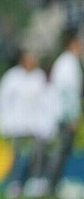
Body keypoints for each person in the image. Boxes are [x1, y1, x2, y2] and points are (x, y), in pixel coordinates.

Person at [0, 50, 49, 199]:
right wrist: (4, 124)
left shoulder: (38, 77)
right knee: (17, 156)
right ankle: (15, 184)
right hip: (16, 126)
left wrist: (45, 124)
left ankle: (34, 183)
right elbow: (2, 101)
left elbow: (45, 102)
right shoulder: (12, 77)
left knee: (36, 156)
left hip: (35, 126)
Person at [45, 30, 82, 195]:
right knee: (61, 152)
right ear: (72, 44)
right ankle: (51, 185)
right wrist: (72, 116)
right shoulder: (69, 63)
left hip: (59, 113)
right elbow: (69, 92)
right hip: (65, 116)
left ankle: (53, 185)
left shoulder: (63, 62)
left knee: (62, 152)